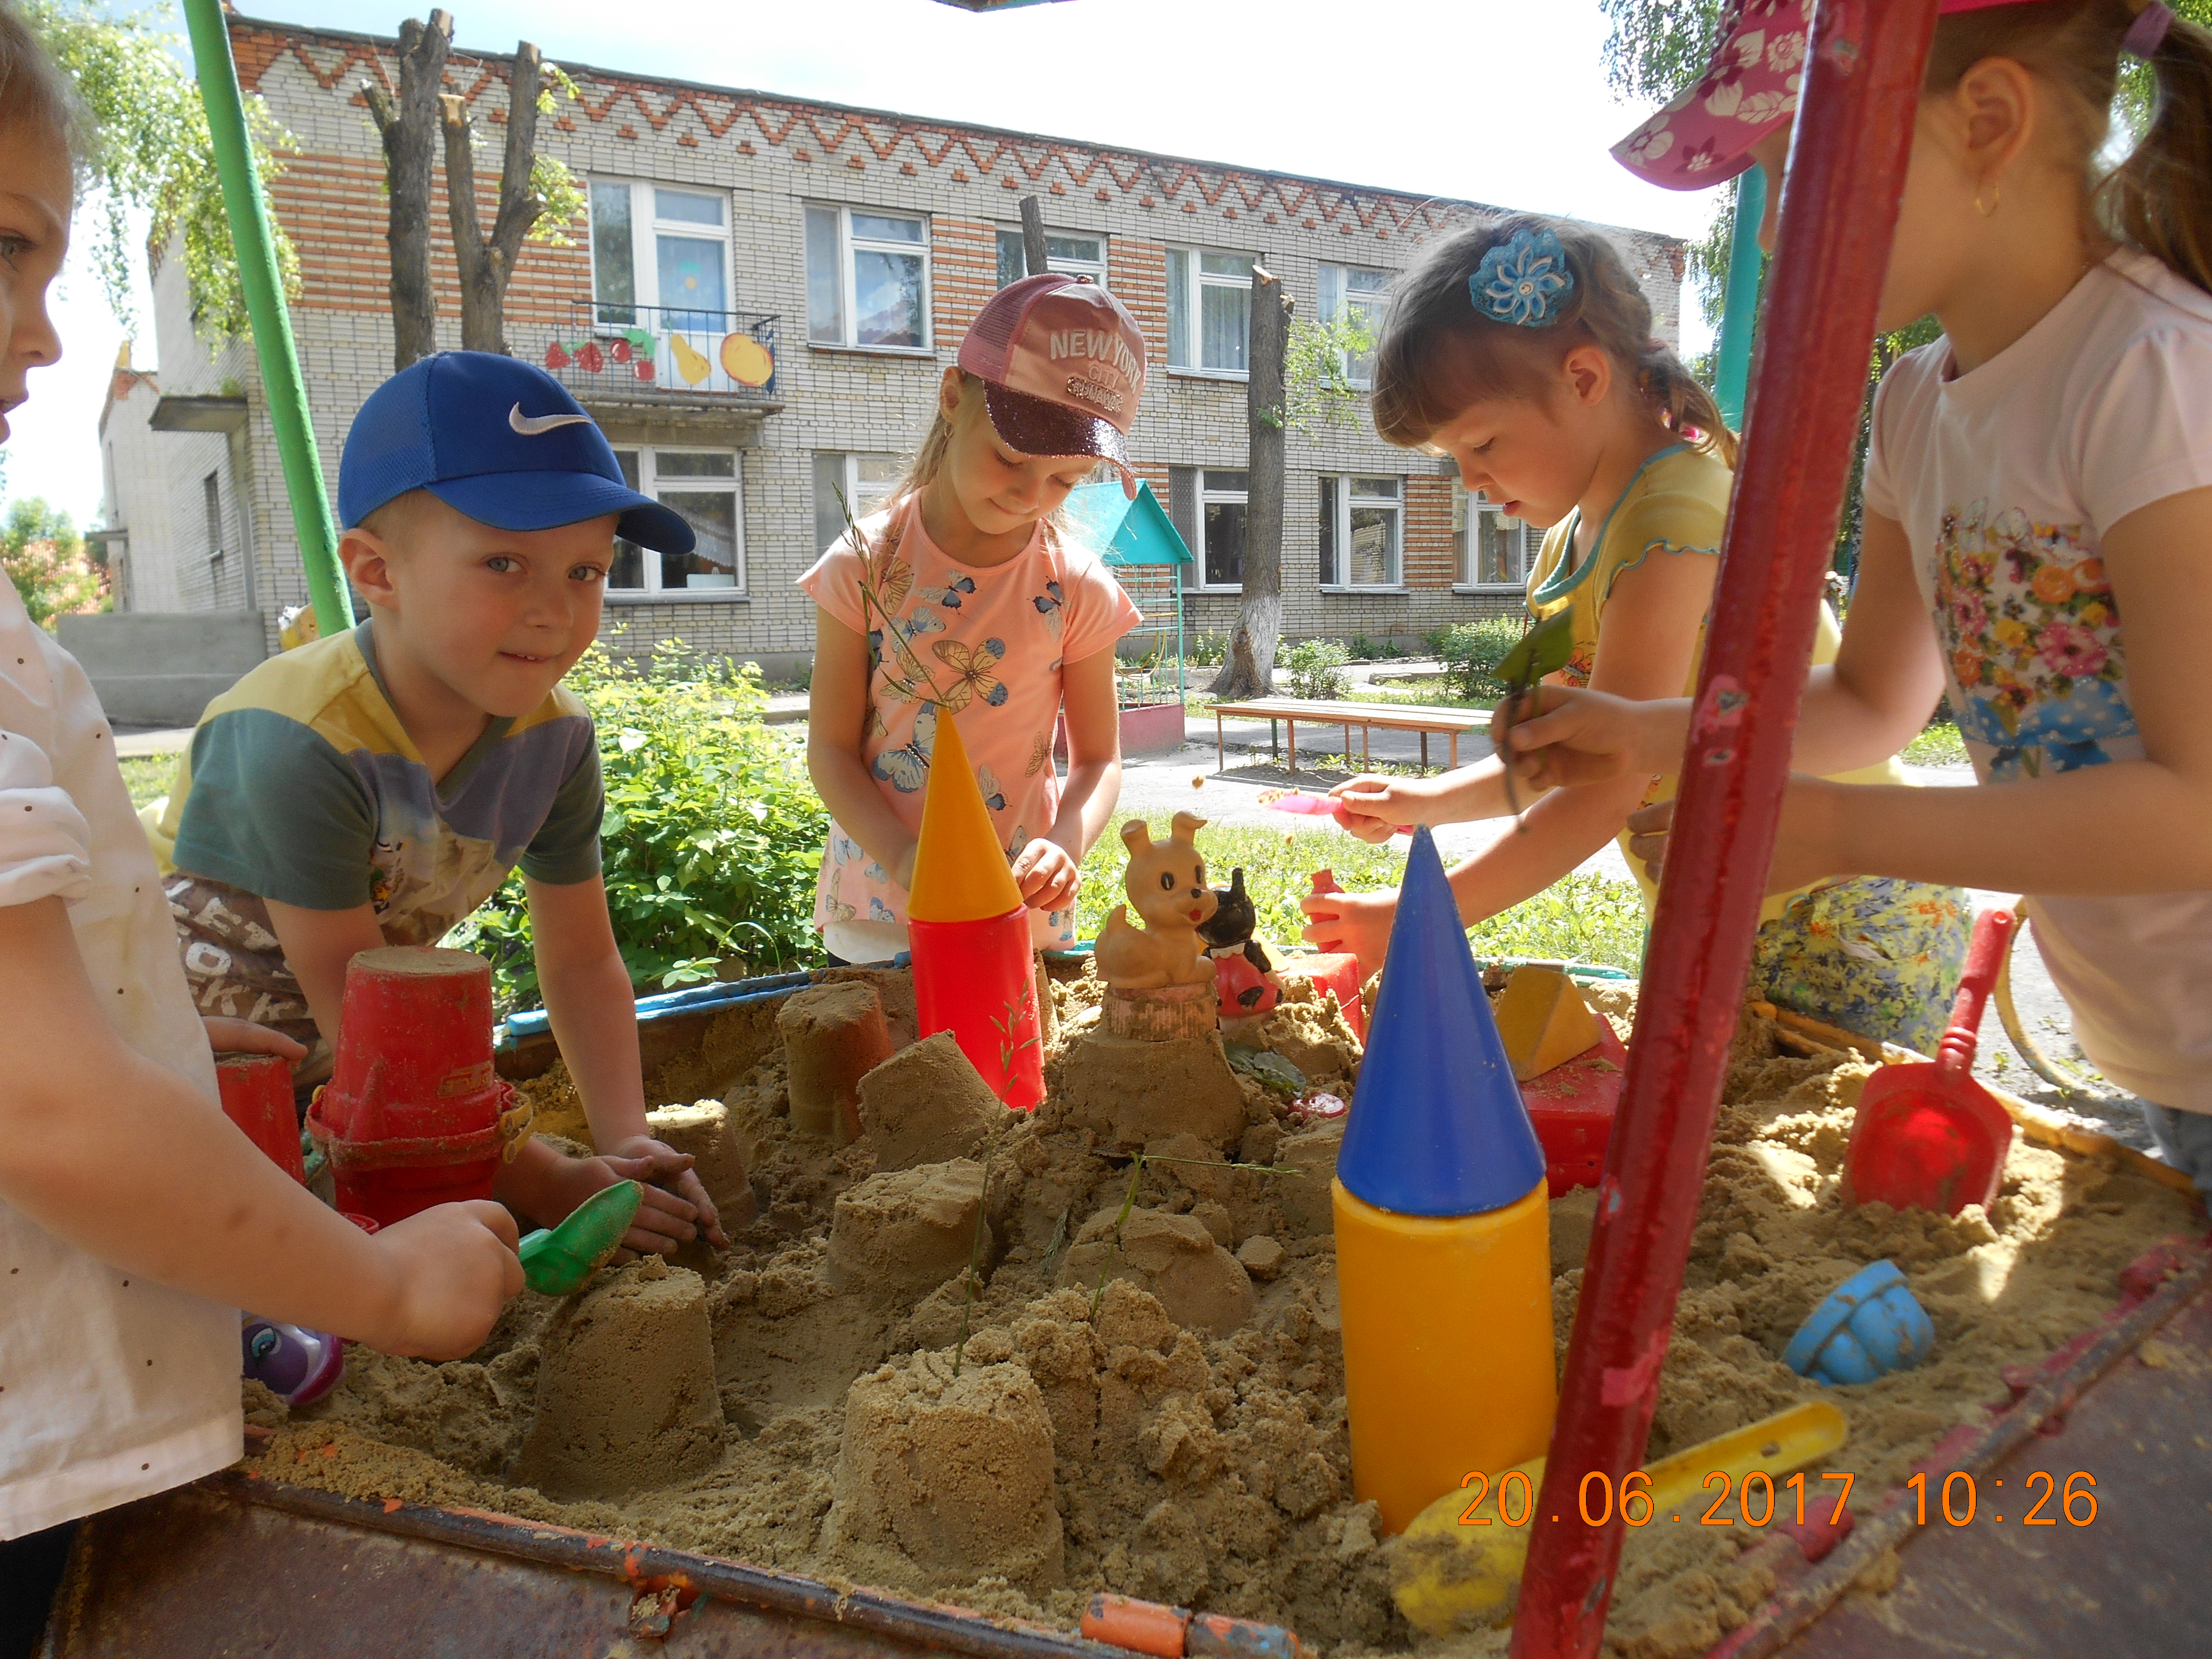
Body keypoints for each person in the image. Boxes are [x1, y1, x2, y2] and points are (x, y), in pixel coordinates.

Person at [0, 15, 518, 1652]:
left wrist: (141, 1031)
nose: (42, 337)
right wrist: (380, 1289)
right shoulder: (303, 740)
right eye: (11, 249)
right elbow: (42, 1105)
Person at [1507, 0, 2212, 1197]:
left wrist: (1834, 829)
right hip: (2157, 1037)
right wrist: (1657, 735)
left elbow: (2196, 807)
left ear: (1987, 123)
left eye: (1804, 172)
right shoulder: (1919, 407)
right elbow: (1876, 700)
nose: (1776, 230)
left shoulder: (2153, 373)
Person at [1301, 213, 1972, 1053]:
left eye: (1481, 443)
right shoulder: (1565, 538)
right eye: (1450, 458)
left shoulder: (1671, 514)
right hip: (1727, 917)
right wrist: (1426, 804)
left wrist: (1413, 917)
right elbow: (1565, 749)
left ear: (1582, 379)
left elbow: (1605, 785)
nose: (1468, 479)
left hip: (1834, 919)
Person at [149, 352, 729, 1257]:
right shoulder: (296, 739)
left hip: (353, 1059)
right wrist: (549, 1182)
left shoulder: (554, 739)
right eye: (505, 562)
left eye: (585, 571)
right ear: (376, 572)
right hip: (190, 1065)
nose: (555, 611)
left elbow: (578, 961)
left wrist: (623, 1144)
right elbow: (368, 1028)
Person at [802, 273, 1146, 966]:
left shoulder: (1075, 584)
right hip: (883, 915)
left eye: (1065, 480)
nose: (1030, 496)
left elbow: (1100, 758)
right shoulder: (865, 564)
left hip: (1018, 916)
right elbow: (831, 752)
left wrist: (1066, 844)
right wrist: (905, 859)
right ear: (954, 397)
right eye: (1011, 458)